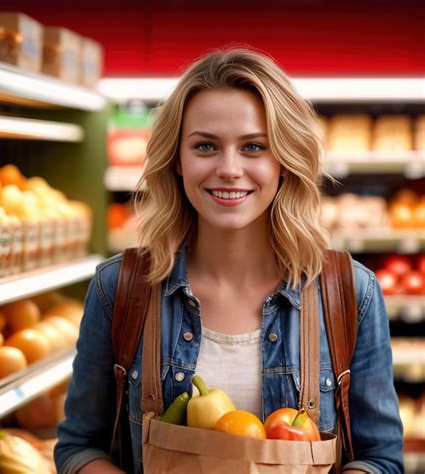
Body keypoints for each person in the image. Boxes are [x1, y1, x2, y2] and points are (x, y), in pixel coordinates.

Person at [54, 48, 403, 474]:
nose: (229, 169)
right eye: (206, 146)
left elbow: (380, 458)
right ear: (177, 160)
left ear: (284, 161)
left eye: (254, 146)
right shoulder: (120, 288)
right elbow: (78, 446)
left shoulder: (349, 291)